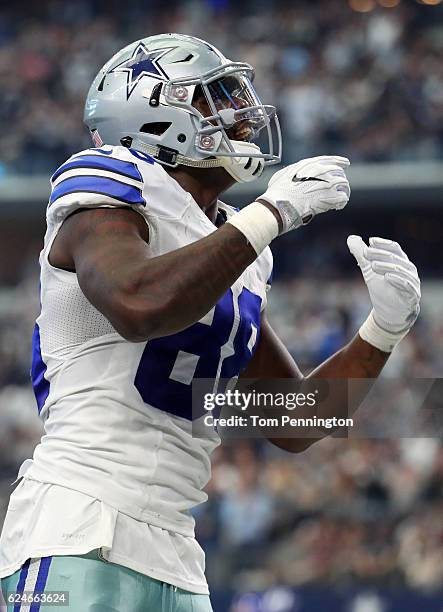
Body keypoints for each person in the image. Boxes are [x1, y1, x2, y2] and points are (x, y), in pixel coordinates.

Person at [0, 33, 420, 612]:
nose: (234, 111)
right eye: (210, 97)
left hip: (175, 550)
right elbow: (137, 304)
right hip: (80, 523)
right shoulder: (110, 182)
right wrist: (270, 214)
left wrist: (383, 330)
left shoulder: (236, 248)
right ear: (149, 115)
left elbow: (292, 421)